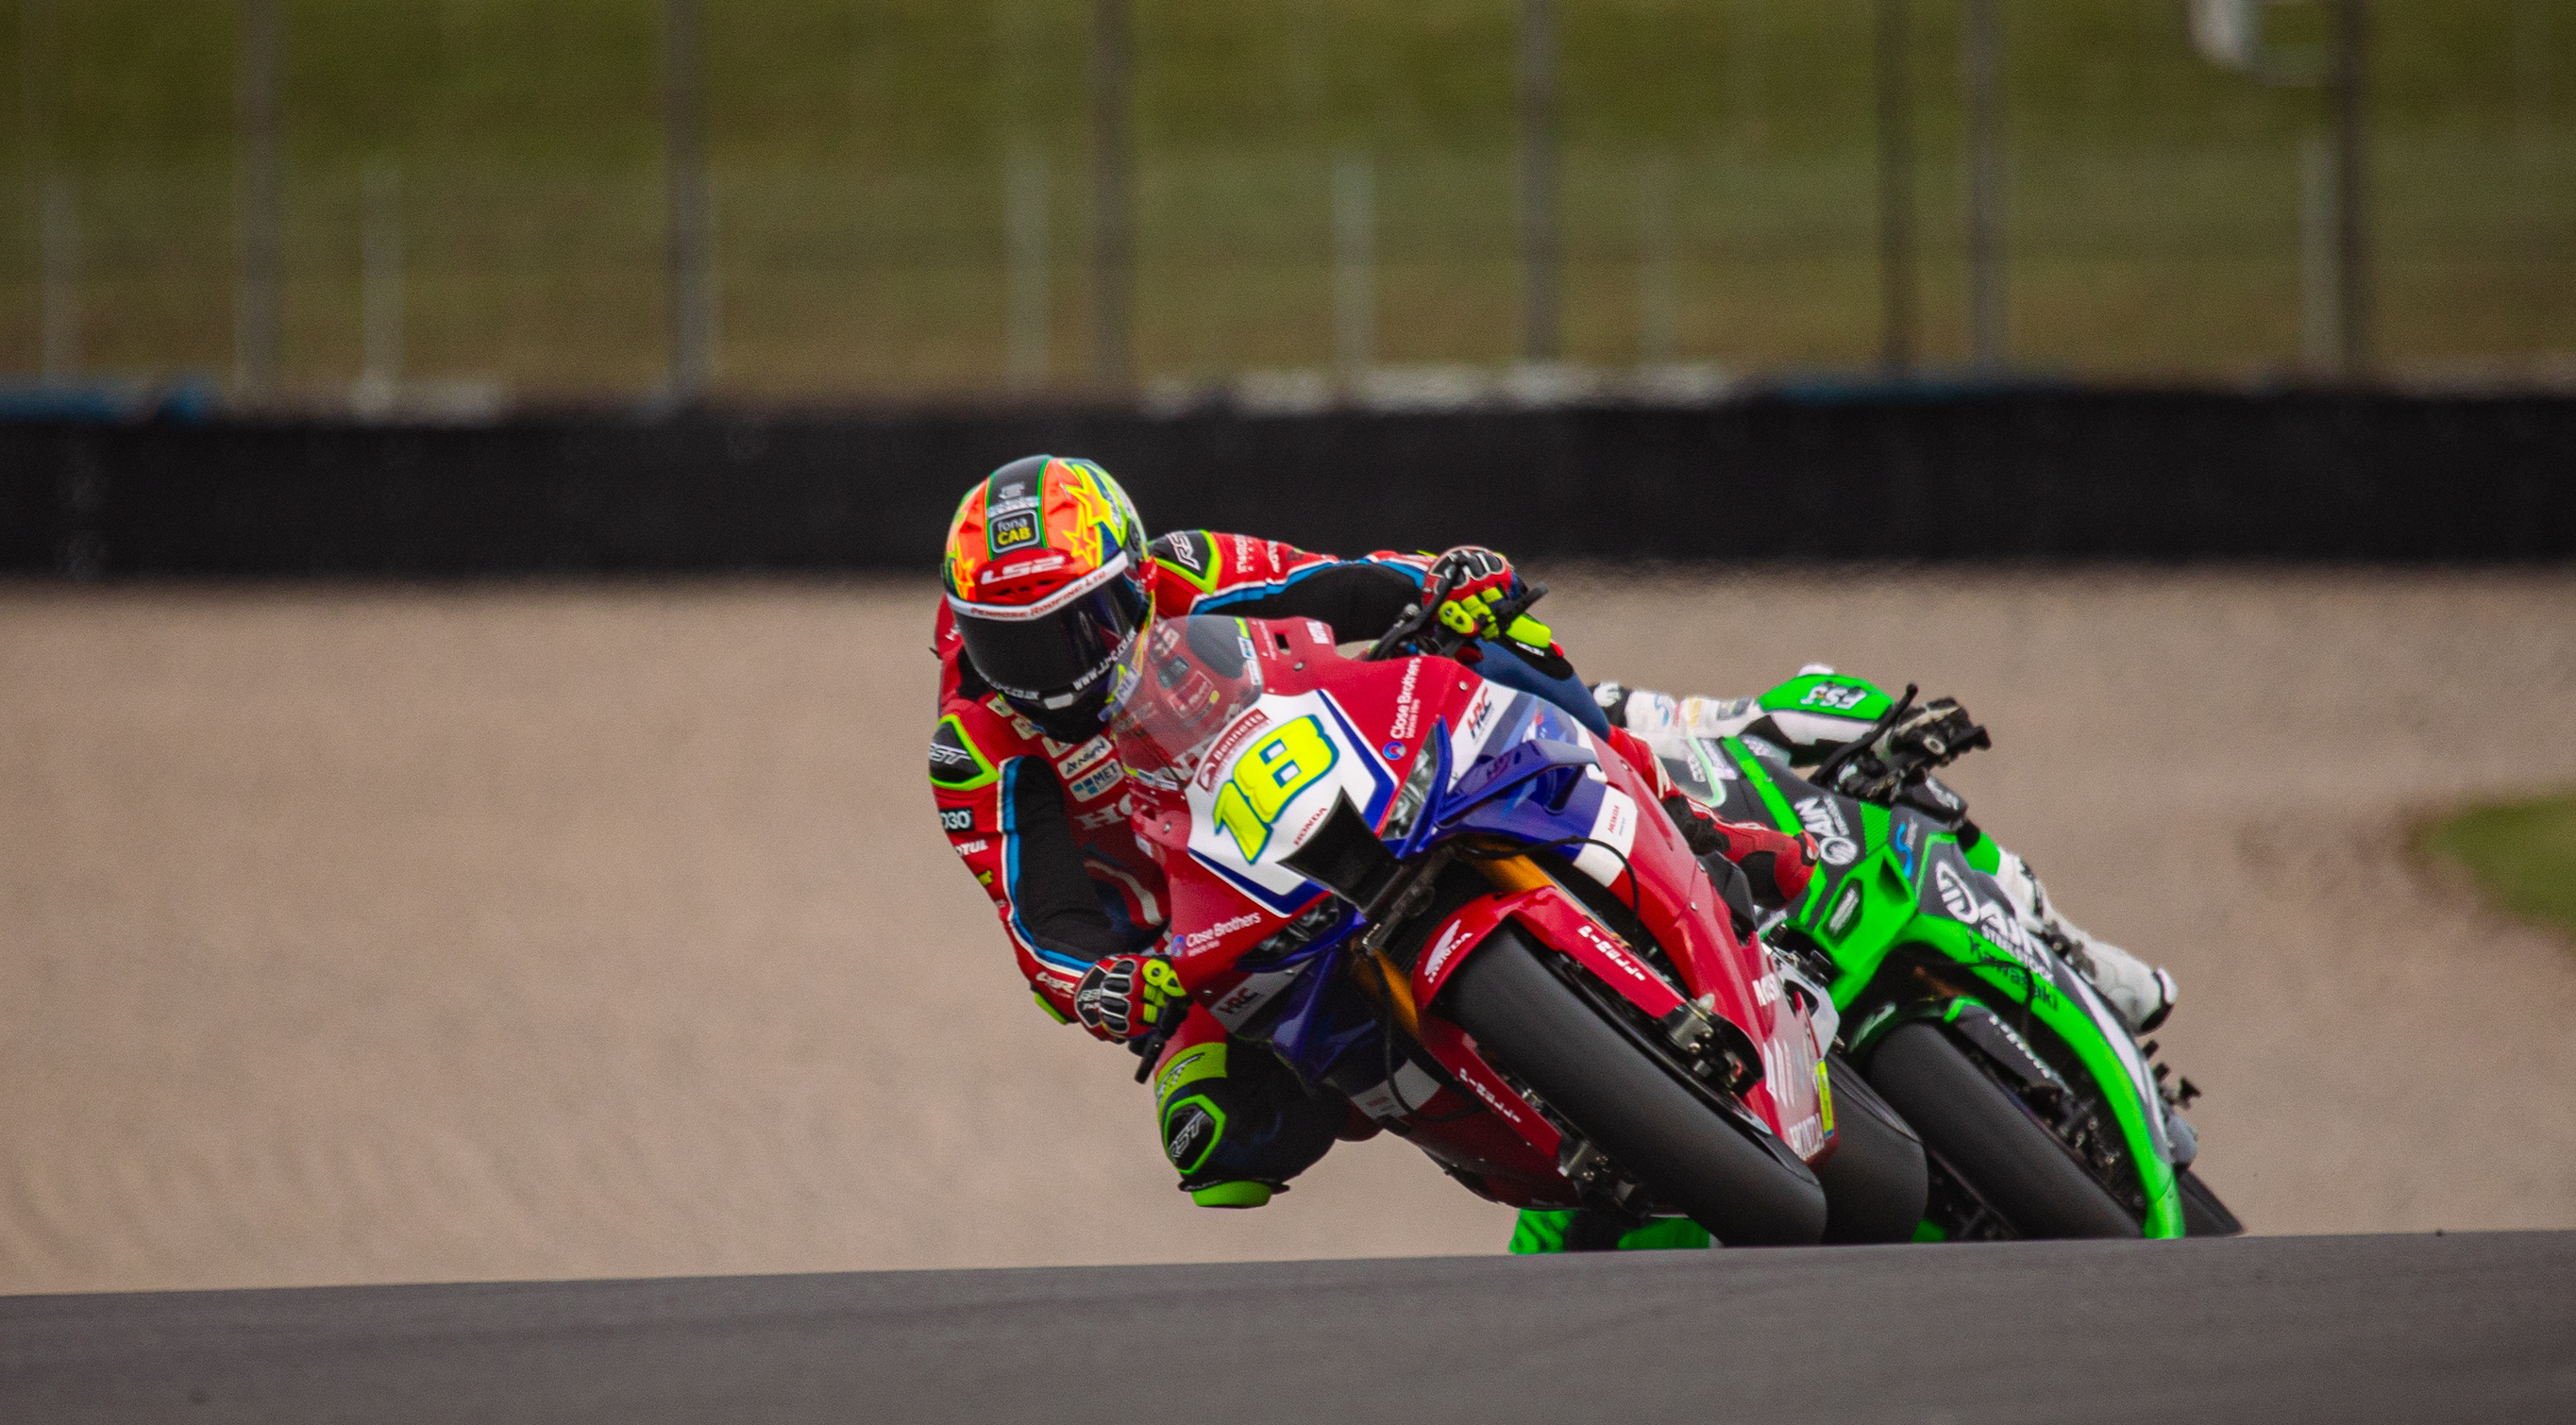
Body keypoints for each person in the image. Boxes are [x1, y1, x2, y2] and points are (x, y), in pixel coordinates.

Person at [931, 451, 1625, 1211]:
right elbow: (1040, 919)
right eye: (1012, 645)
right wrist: (1100, 982)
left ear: (1134, 577)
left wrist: (1442, 581)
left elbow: (1338, 583)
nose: (1051, 675)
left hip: (1321, 787)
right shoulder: (970, 747)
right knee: (1219, 1141)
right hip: (1196, 945)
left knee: (1492, 634)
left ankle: (1668, 807)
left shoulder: (1186, 568)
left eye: (1078, 626)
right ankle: (1490, 1134)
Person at [1591, 664, 2179, 1037]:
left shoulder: (1565, 700)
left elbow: (1716, 718)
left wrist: (1884, 731)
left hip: (1750, 840)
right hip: (1687, 958)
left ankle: (2054, 934)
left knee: (1872, 765)